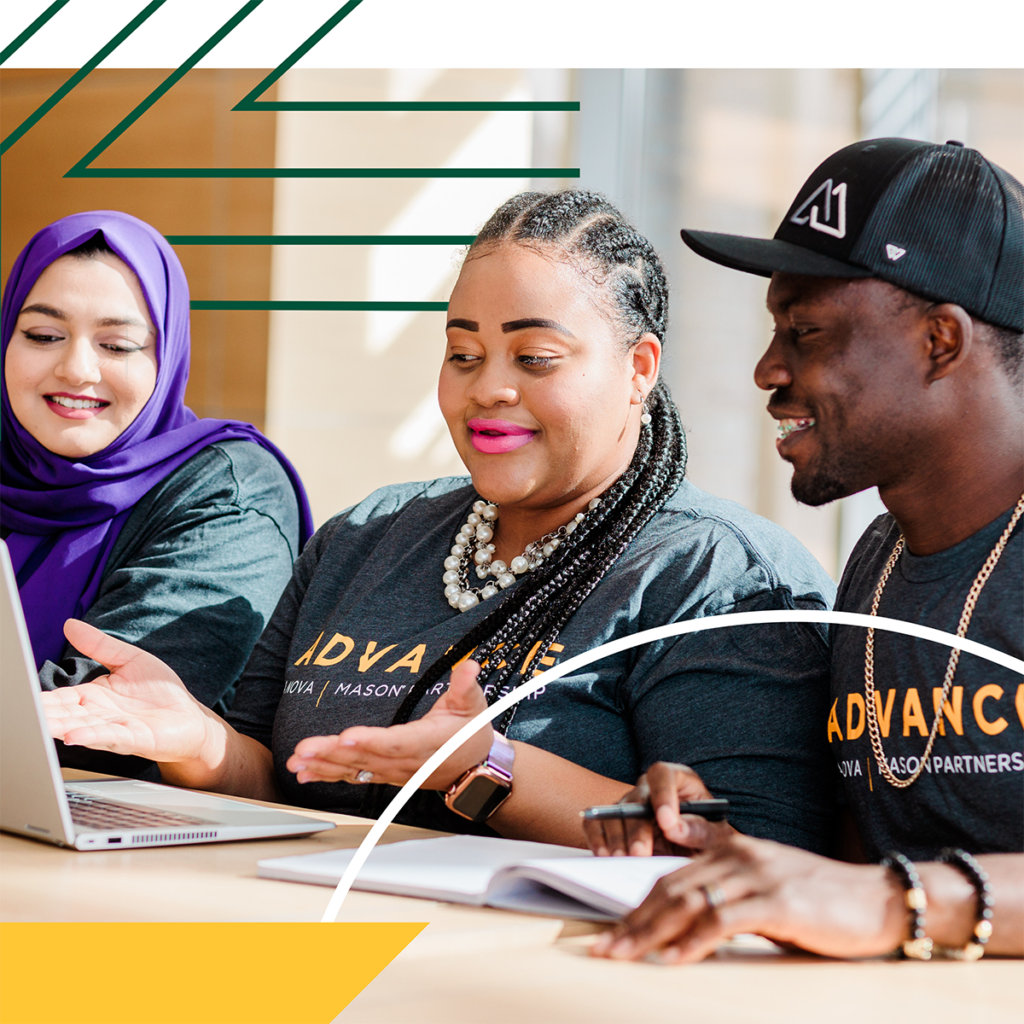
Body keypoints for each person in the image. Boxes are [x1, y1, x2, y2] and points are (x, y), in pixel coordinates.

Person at [42, 191, 838, 850]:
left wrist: (488, 769)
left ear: (638, 370)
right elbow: (272, 784)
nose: (488, 387)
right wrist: (195, 741)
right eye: (463, 354)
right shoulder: (366, 536)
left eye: (534, 359)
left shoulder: (717, 576)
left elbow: (758, 856)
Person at [587, 139, 1023, 961]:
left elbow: (882, 897)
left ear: (940, 340)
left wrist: (892, 904)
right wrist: (726, 847)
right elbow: (862, 868)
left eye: (807, 331)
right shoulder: (881, 560)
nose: (766, 368)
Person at [2, 210, 313, 780]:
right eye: (44, 336)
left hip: (132, 841)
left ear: (166, 358)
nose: (75, 368)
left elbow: (99, 712)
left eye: (117, 346)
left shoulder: (226, 490)